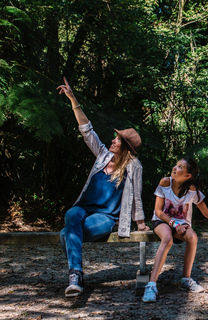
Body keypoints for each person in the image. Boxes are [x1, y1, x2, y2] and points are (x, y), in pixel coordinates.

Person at [56, 77, 149, 298]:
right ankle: (76, 276)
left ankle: (75, 277)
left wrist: (141, 223)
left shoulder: (133, 166)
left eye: (117, 140)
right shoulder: (102, 155)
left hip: (105, 217)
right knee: (71, 214)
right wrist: (73, 99)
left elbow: (136, 196)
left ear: (124, 147)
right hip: (84, 209)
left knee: (64, 236)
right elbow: (87, 130)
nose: (112, 141)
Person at [142, 157, 208, 303]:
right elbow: (158, 211)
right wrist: (174, 224)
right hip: (163, 221)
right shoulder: (165, 182)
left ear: (187, 175)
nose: (174, 167)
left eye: (179, 167)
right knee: (167, 239)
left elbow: (207, 213)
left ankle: (186, 279)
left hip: (182, 224)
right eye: (176, 165)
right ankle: (151, 285)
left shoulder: (192, 191)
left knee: (193, 237)